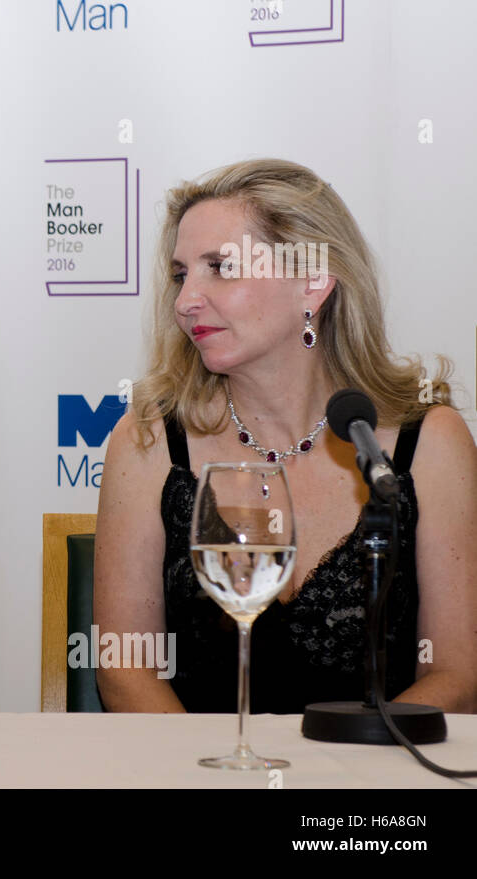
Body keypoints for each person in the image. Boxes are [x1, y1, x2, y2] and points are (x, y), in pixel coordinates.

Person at [94, 158, 477, 714]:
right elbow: (125, 671)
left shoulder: (429, 440)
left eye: (220, 268)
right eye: (181, 275)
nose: (184, 301)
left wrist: (343, 780)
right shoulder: (149, 441)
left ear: (312, 281)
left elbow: (457, 675)